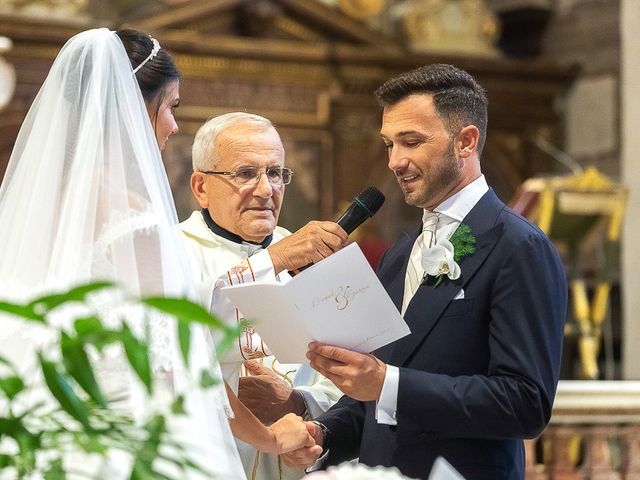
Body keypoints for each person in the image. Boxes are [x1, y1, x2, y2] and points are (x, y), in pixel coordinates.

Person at [0, 28, 310, 479]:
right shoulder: (131, 217)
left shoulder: (37, 207)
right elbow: (181, 366)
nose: (173, 125)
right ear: (133, 107)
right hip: (127, 443)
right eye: (170, 106)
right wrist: (269, 437)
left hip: (53, 435)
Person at [282, 64, 568, 479]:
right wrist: (324, 433)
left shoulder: (519, 247)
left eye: (411, 142)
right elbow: (371, 391)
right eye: (389, 145)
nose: (395, 161)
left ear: (466, 141)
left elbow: (524, 404)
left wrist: (387, 384)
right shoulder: (401, 253)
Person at [181, 112, 347, 479]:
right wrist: (274, 259)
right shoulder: (170, 252)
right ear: (201, 187)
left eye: (275, 173)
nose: (265, 189)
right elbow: (174, 343)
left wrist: (300, 403)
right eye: (244, 173)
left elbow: (350, 378)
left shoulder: (314, 260)